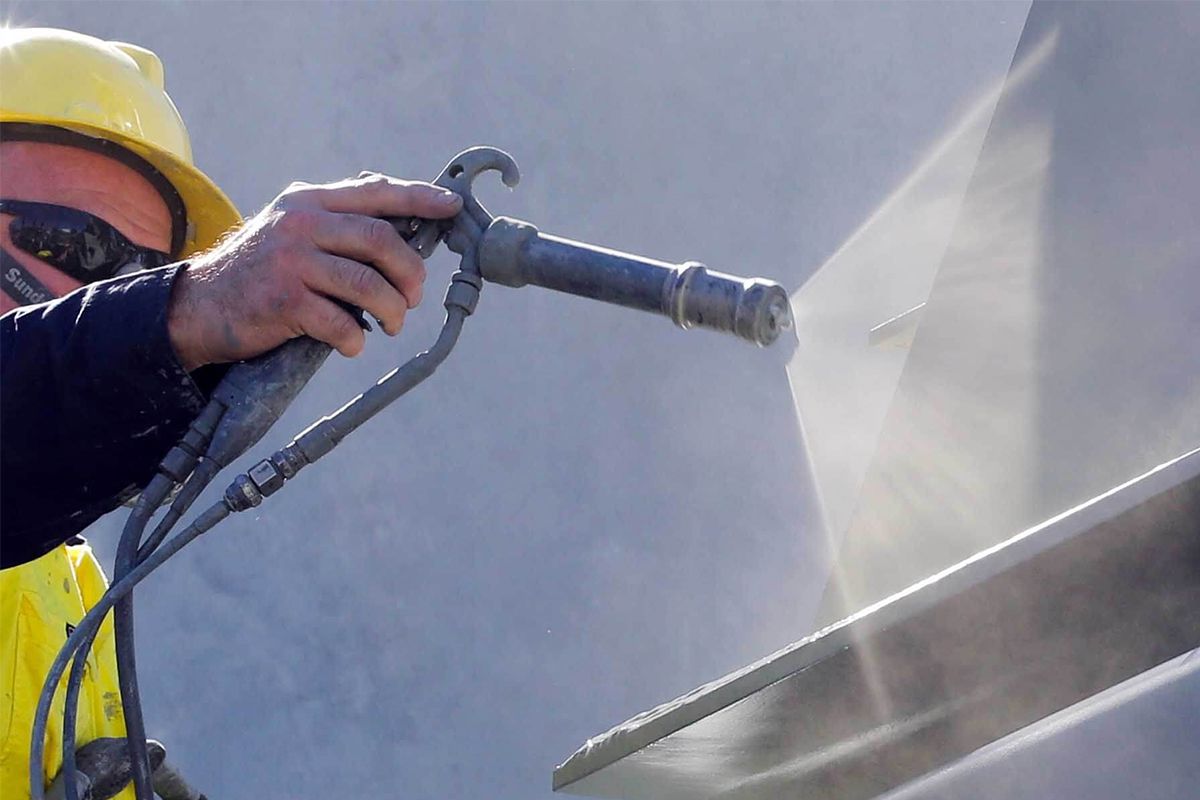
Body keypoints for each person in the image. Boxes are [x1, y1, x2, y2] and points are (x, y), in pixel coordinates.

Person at [0, 27, 462, 796]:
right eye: (81, 247)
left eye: (143, 273)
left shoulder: (65, 587)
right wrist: (190, 307)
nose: (104, 295)